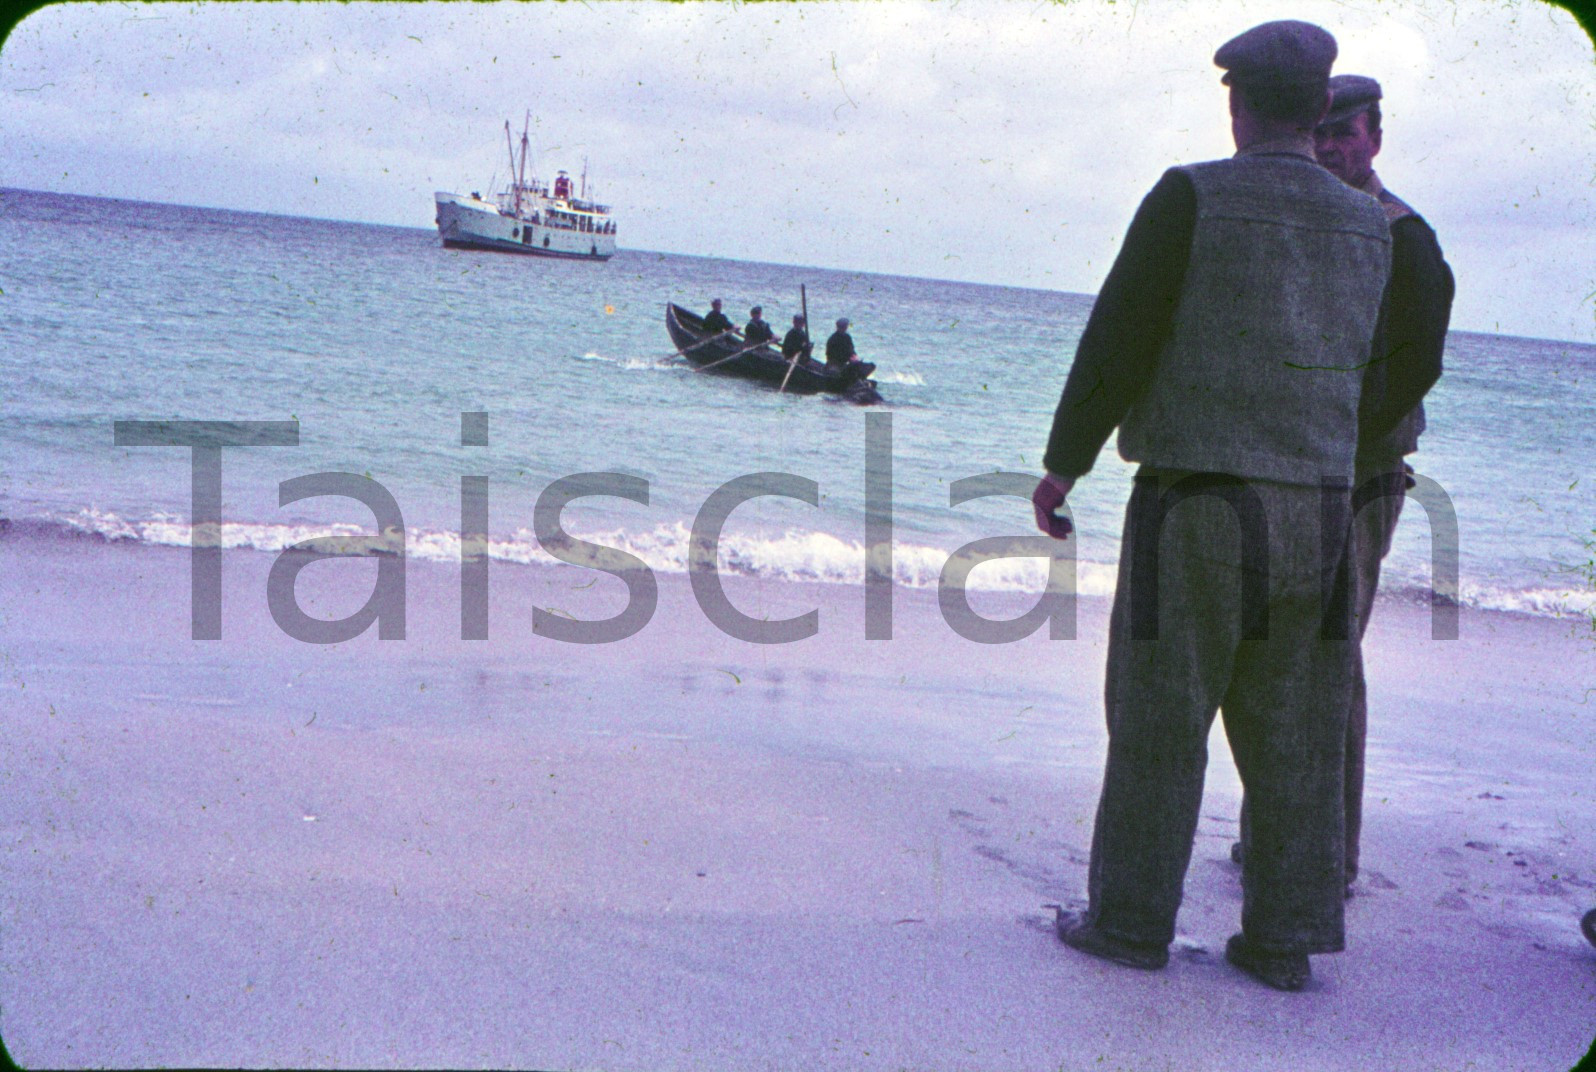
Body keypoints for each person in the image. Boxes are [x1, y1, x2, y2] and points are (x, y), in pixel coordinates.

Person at [1030, 21, 1394, 992]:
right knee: (1299, 734)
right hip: (1321, 506)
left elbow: (1120, 336)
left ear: (1235, 102)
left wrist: (1064, 465)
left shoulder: (1191, 196)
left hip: (1195, 498)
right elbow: (1386, 374)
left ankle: (1132, 922)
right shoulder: (1373, 226)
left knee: (1160, 714)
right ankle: (1285, 938)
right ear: (1321, 109)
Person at [1232, 74, 1456, 897]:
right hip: (1287, 469)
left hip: (1358, 479)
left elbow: (1411, 369)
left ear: (1375, 140)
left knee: (1327, 660)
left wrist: (1328, 438)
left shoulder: (1407, 239)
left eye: (1344, 134)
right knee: (1270, 654)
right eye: (1318, 132)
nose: (1328, 148)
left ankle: (1332, 855)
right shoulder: (1305, 223)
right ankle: (1275, 835)